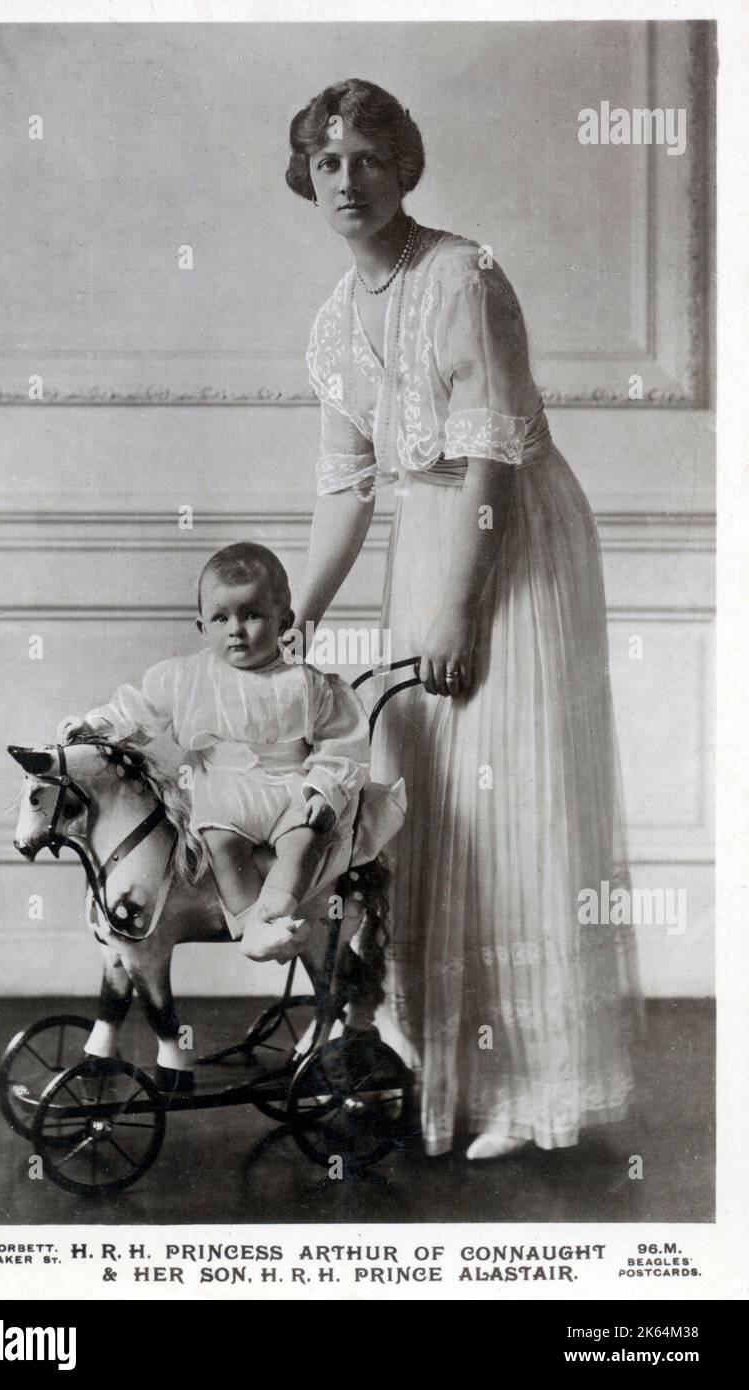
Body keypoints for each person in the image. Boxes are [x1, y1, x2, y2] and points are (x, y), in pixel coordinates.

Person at [285, 79, 639, 1159]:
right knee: (429, 800)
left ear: (405, 168)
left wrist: (459, 610)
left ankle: (534, 1089)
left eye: (369, 159)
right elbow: (345, 491)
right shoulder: (335, 322)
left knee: (511, 788)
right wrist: (294, 625)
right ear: (306, 176)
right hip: (424, 546)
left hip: (508, 539)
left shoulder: (461, 275)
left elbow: (491, 453)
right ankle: (450, 1063)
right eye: (328, 161)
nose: (348, 181)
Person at [58, 542, 404, 965]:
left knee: (304, 840)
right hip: (224, 789)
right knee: (221, 843)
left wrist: (323, 788)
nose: (236, 629)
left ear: (285, 622)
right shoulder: (187, 679)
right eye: (221, 618)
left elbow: (343, 740)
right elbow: (138, 709)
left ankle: (274, 916)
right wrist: (95, 725)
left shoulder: (307, 684)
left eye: (252, 614)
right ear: (202, 626)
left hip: (291, 785)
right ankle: (249, 926)